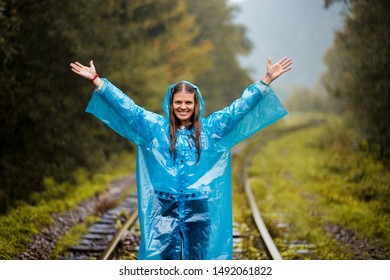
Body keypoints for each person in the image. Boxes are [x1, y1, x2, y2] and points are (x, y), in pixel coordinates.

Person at [70, 57, 292, 260]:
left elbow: (238, 109)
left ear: (196, 105)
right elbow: (128, 109)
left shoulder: (211, 130)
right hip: (164, 207)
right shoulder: (155, 128)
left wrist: (265, 82)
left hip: (199, 206)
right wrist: (98, 82)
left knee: (199, 263)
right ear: (171, 104)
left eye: (188, 102)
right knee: (164, 264)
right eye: (178, 102)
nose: (183, 107)